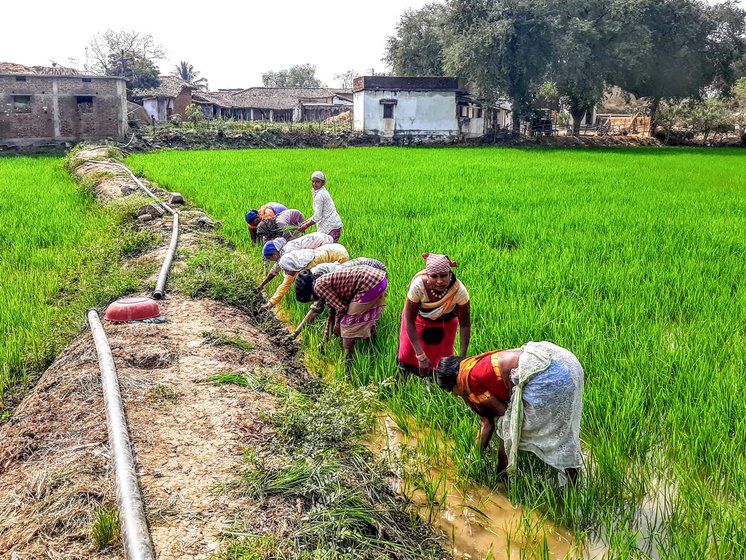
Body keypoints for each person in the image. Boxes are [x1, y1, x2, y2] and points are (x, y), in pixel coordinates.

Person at [435, 342, 584, 481]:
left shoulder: (470, 381)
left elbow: (506, 417)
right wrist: (472, 458)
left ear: (454, 381)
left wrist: (489, 466)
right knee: (561, 429)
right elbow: (487, 424)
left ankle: (502, 476)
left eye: (451, 391)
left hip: (547, 376)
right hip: (562, 361)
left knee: (511, 427)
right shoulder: (471, 365)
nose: (455, 395)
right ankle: (574, 478)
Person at [291, 264, 387, 368]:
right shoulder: (324, 283)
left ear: (310, 294)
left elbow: (342, 308)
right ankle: (372, 349)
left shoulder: (318, 287)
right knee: (369, 319)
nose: (315, 301)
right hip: (380, 280)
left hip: (369, 283)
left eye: (311, 300)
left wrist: (338, 325)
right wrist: (325, 341)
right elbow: (332, 313)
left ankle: (347, 363)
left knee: (347, 325)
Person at [398, 253, 471, 376]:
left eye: (443, 276)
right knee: (408, 355)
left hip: (445, 322)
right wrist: (421, 356)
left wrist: (462, 359)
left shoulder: (459, 291)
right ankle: (403, 381)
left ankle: (435, 384)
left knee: (441, 361)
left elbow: (465, 325)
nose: (439, 281)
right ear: (427, 276)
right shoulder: (418, 286)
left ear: (449, 274)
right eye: (434, 276)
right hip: (417, 320)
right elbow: (409, 321)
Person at [261, 243, 349, 308]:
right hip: (330, 248)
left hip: (339, 255)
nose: (288, 273)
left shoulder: (311, 266)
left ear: (294, 267)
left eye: (288, 271)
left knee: (329, 285)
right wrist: (271, 303)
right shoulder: (297, 264)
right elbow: (285, 285)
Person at [258, 232, 334, 290]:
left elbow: (298, 267)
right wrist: (262, 285)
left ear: (274, 254)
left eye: (270, 259)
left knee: (317, 270)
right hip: (322, 237)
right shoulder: (283, 250)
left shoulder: (288, 252)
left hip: (323, 243)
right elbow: (274, 271)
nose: (272, 261)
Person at [298, 171, 343, 242]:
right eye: (313, 181)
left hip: (331, 227)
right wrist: (307, 221)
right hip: (330, 226)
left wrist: (306, 226)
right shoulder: (317, 191)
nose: (314, 184)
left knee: (329, 250)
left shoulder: (321, 195)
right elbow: (318, 213)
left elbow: (318, 216)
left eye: (317, 182)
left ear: (322, 182)